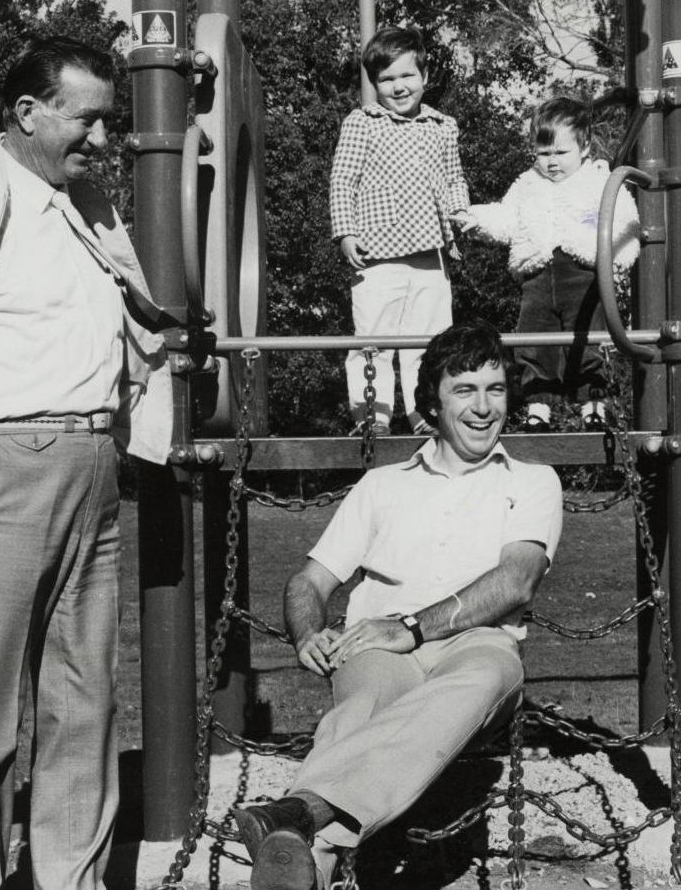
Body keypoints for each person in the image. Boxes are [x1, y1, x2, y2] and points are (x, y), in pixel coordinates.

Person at [0, 36, 174, 890]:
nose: (101, 138)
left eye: (107, 120)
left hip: (92, 464)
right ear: (27, 113)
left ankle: (72, 879)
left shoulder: (90, 209)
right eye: (85, 119)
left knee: (84, 698)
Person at [233, 321, 563, 890]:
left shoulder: (534, 481)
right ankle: (306, 856)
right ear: (432, 403)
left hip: (477, 642)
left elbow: (515, 582)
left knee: (481, 680)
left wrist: (411, 626)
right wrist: (308, 633)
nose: (484, 407)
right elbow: (308, 581)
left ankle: (300, 813)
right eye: (465, 390)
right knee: (362, 704)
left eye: (495, 389)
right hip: (378, 643)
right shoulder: (382, 485)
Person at [454, 96, 640, 431]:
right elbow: (506, 217)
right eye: (543, 153)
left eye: (561, 152)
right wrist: (476, 219)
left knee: (590, 340)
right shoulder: (528, 184)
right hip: (537, 276)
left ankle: (594, 407)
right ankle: (538, 408)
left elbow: (626, 222)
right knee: (534, 342)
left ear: (584, 148)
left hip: (585, 275)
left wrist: (616, 262)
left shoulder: (600, 181)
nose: (552, 162)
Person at [330, 25, 470, 436]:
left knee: (429, 341)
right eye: (387, 79)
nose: (399, 86)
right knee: (372, 340)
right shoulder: (363, 122)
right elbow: (343, 180)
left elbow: (455, 179)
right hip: (378, 254)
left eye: (407, 75)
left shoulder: (442, 126)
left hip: (430, 252)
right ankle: (372, 416)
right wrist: (345, 232)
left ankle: (423, 412)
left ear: (425, 76)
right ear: (374, 84)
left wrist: (461, 212)